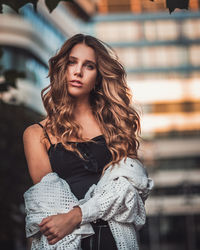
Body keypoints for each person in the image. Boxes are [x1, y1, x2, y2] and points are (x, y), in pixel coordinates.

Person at [23, 33, 153, 250]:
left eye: (89, 66)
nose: (78, 71)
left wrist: (76, 215)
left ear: (98, 77)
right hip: (66, 242)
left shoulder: (117, 127)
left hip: (116, 240)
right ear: (62, 69)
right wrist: (93, 209)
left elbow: (129, 191)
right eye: (72, 62)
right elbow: (51, 207)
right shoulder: (36, 134)